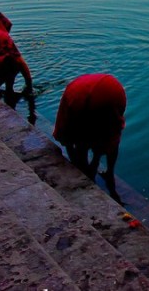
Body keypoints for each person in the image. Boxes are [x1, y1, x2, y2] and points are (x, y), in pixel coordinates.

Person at [54, 73, 127, 202]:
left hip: (87, 97)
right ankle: (109, 172)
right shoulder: (73, 95)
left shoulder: (70, 102)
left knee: (82, 139)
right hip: (113, 90)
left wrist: (79, 164)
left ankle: (87, 174)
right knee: (110, 133)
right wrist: (96, 157)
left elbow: (68, 139)